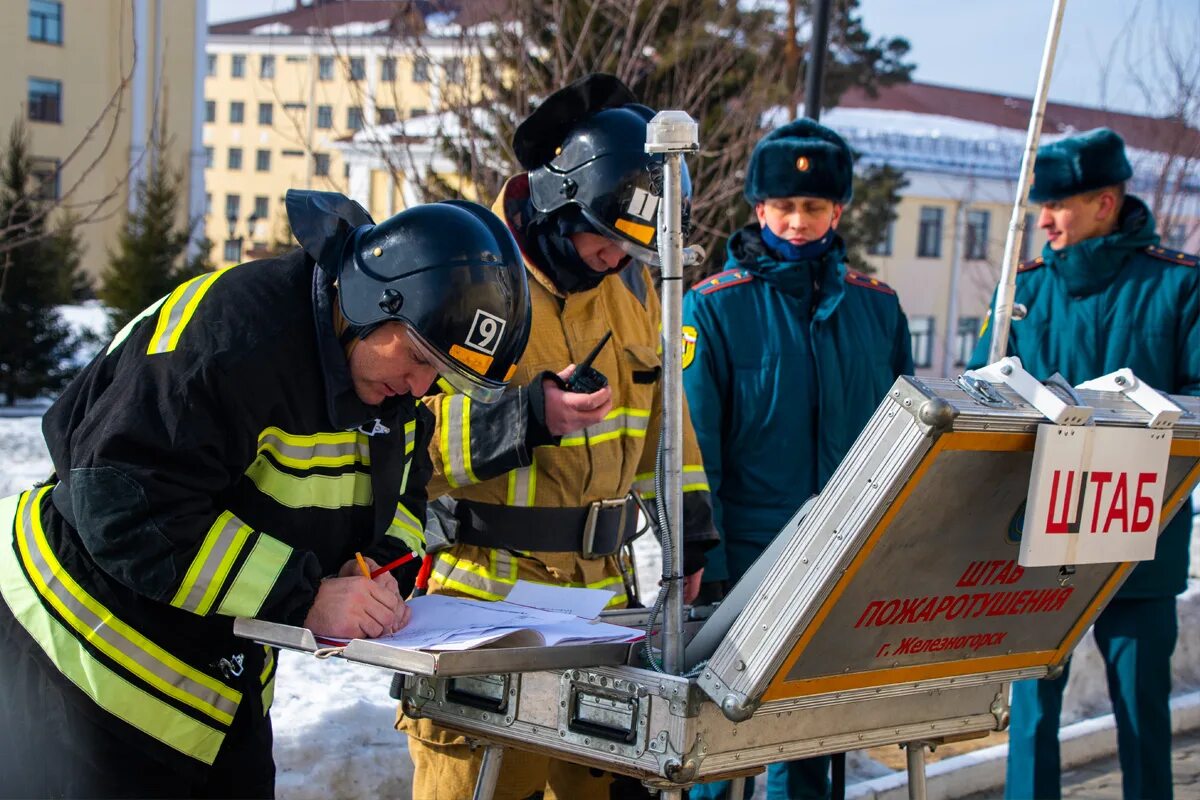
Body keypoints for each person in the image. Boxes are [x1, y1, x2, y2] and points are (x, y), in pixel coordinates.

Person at [0, 190, 533, 798]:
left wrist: (383, 571)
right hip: (76, 651)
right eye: (415, 356)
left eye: (439, 372)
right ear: (370, 301)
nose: (420, 384)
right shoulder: (231, 335)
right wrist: (303, 595)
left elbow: (406, 501)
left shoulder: (390, 389)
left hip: (210, 679)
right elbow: (127, 504)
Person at [398, 73, 719, 800]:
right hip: (482, 610)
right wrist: (523, 417)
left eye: (627, 248)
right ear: (556, 199)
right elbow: (400, 445)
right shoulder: (462, 276)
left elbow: (668, 426)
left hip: (599, 609)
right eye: (603, 239)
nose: (613, 259)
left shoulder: (634, 294)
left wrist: (690, 533)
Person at [682, 118, 913, 800]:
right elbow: (699, 451)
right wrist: (708, 561)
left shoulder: (878, 310)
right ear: (758, 209)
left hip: (840, 560)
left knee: (809, 741)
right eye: (783, 206)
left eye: (813, 207)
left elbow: (902, 442)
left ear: (837, 210)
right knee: (716, 747)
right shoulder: (715, 308)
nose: (798, 220)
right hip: (745, 560)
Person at [969, 128, 1200, 800]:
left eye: (1058, 204)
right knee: (1032, 718)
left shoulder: (1180, 287)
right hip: (1041, 537)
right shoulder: (1023, 293)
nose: (1043, 219)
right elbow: (985, 399)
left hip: (1143, 539)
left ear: (1105, 201)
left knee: (1141, 715)